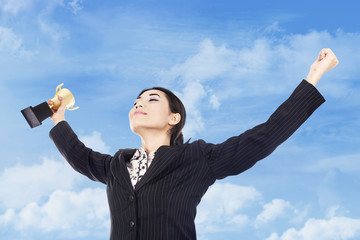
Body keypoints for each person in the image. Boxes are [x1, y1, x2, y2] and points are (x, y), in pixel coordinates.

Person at [49, 49, 339, 240]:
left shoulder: (198, 158)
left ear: (173, 118)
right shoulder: (116, 166)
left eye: (152, 99)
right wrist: (58, 118)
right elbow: (79, 155)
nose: (139, 103)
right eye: (136, 101)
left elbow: (264, 136)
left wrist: (313, 76)